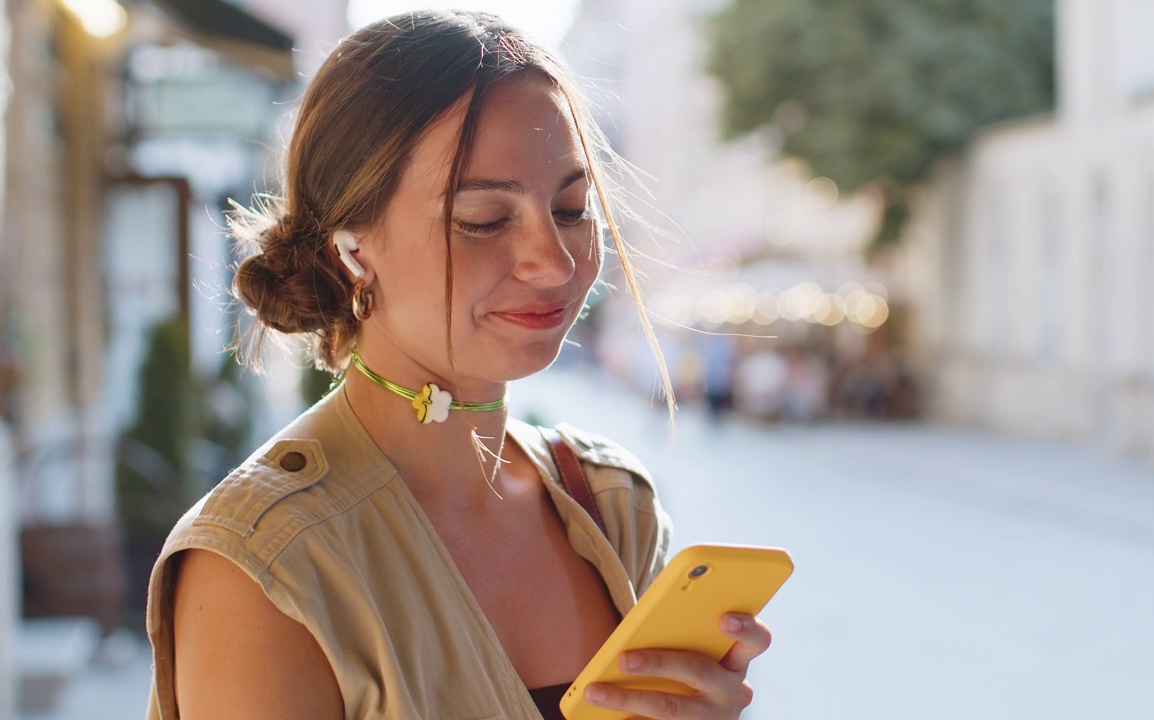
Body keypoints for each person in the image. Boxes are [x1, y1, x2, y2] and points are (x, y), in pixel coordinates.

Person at [143, 10, 773, 720]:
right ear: (348, 249)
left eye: (572, 207)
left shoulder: (611, 503)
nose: (555, 261)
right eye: (483, 219)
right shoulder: (264, 563)